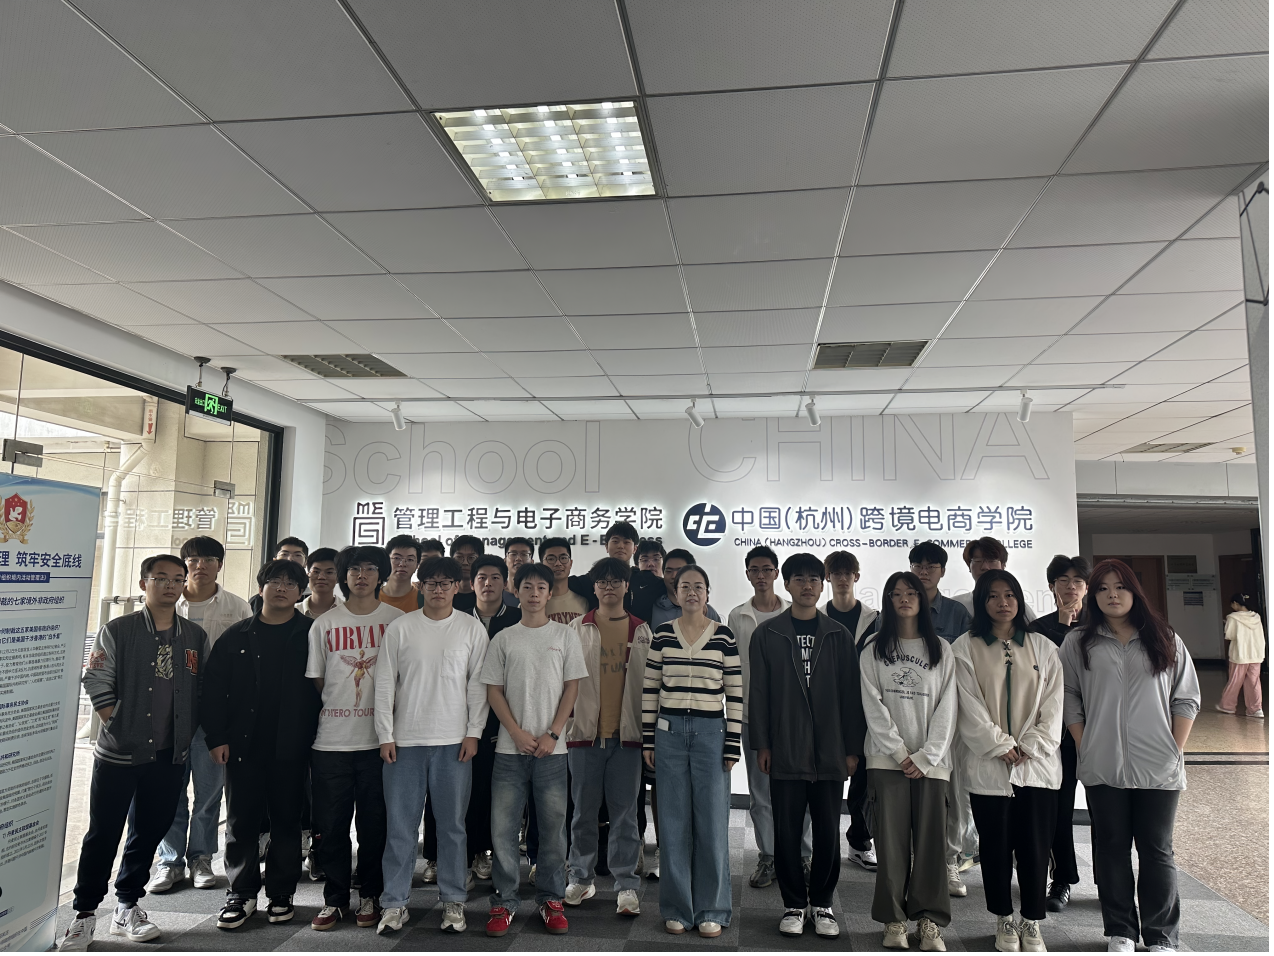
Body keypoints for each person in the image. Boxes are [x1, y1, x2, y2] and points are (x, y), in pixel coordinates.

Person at [59, 556, 209, 952]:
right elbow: (96, 677)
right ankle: (84, 914)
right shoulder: (118, 630)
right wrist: (117, 723)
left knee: (149, 832)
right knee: (103, 833)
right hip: (119, 755)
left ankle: (127, 905)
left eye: (177, 579)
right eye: (161, 578)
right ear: (144, 583)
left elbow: (201, 688)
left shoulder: (194, 636)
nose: (170, 585)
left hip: (169, 756)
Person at [1061, 559, 1200, 954]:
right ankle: (1120, 930)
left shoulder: (1164, 638)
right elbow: (1068, 695)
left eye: (1120, 586)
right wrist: (1084, 742)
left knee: (1157, 849)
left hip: (1158, 764)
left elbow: (1186, 697)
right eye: (1102, 588)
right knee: (1111, 847)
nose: (1112, 595)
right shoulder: (1079, 642)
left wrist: (1174, 747)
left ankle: (1161, 935)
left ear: (1134, 592)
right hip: (1103, 762)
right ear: (1093, 596)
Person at [750, 553, 866, 939]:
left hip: (830, 749)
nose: (807, 585)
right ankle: (794, 904)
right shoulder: (768, 634)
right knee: (786, 832)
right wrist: (762, 744)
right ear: (786, 584)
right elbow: (759, 694)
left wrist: (852, 748)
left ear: (823, 584)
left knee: (828, 831)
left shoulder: (838, 635)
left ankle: (823, 903)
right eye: (799, 579)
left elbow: (851, 697)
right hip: (786, 747)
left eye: (814, 579)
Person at [374, 556, 490, 935]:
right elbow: (385, 682)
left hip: (454, 743)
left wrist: (473, 732)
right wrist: (385, 734)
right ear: (420, 587)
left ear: (458, 587)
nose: (438, 589)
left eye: (445, 583)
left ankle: (453, 900)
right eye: (431, 583)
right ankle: (394, 902)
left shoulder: (471, 629)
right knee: (400, 828)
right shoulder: (401, 627)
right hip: (404, 743)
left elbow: (478, 686)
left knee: (453, 827)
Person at [203, 558, 320, 930]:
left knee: (287, 821)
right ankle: (241, 892)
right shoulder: (236, 635)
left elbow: (327, 689)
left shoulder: (312, 633)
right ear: (261, 587)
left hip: (294, 745)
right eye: (275, 581)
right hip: (243, 745)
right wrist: (216, 738)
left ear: (300, 592)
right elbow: (213, 690)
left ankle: (282, 893)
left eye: (290, 583)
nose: (282, 588)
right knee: (241, 821)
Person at [954, 570, 1063, 954]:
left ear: (1019, 599)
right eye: (993, 596)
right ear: (981, 603)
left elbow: (1054, 704)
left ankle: (1031, 921)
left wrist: (1032, 745)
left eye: (1009, 595)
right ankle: (1003, 918)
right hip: (989, 765)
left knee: (1035, 848)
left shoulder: (1043, 647)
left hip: (1037, 766)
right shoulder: (964, 647)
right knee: (995, 849)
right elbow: (967, 704)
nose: (1003, 603)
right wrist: (998, 745)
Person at [483, 562, 588, 937]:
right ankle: (504, 900)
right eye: (526, 587)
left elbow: (572, 687)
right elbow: (493, 690)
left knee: (554, 830)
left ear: (549, 592)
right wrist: (515, 732)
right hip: (509, 751)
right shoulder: (504, 638)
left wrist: (553, 733)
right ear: (516, 590)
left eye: (541, 588)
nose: (533, 593)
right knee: (503, 830)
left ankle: (551, 898)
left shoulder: (565, 635)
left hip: (552, 752)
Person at [147, 537, 251, 896]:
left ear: (220, 565)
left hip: (216, 714)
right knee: (170, 790)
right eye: (193, 560)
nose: (200, 566)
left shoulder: (237, 607)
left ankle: (202, 858)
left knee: (209, 792)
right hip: (168, 714)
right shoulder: (167, 604)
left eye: (209, 559)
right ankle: (170, 861)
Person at [305, 546, 401, 931]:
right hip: (331, 743)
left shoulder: (396, 621)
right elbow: (318, 679)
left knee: (375, 825)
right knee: (331, 826)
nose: (362, 576)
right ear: (343, 576)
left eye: (370, 569)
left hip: (380, 743)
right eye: (354, 569)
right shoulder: (325, 624)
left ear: (381, 575)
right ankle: (334, 898)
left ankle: (371, 894)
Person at [861, 571, 957, 953]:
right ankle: (894, 920)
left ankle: (929, 921)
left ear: (922, 599)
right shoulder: (873, 648)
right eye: (896, 593)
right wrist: (901, 754)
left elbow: (948, 707)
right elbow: (873, 707)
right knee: (891, 846)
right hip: (887, 761)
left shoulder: (942, 649)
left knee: (932, 846)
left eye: (911, 592)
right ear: (887, 600)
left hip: (933, 763)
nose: (904, 598)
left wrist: (927, 756)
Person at [642, 564, 741, 938]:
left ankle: (712, 908)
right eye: (685, 586)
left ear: (708, 593)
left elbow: (735, 694)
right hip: (668, 735)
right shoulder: (663, 635)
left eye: (699, 586)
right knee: (672, 823)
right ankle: (678, 908)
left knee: (712, 823)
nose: (692, 592)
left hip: (711, 735)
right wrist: (649, 740)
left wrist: (732, 743)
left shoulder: (723, 636)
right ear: (677, 592)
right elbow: (650, 690)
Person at [564, 558, 652, 917]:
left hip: (627, 738)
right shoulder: (577, 628)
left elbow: (651, 686)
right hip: (585, 736)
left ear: (627, 587)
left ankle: (626, 884)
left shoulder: (642, 631)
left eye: (617, 581)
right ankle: (581, 878)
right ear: (594, 587)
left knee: (625, 815)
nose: (609, 587)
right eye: (603, 581)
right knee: (583, 813)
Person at [433, 555, 523, 887]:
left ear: (506, 583)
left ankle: (483, 851)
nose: (488, 583)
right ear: (470, 584)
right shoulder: (454, 617)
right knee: (450, 791)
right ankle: (446, 857)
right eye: (482, 577)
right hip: (454, 716)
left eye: (495, 577)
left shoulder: (517, 619)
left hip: (501, 718)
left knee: (488, 789)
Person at [725, 545, 806, 890]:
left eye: (767, 569)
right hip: (751, 716)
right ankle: (769, 855)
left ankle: (802, 855)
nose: (761, 576)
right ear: (748, 574)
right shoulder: (738, 616)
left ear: (776, 574)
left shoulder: (794, 612)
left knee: (801, 787)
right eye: (755, 570)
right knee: (760, 791)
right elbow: (731, 670)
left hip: (793, 717)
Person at [909, 541, 975, 894]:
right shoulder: (898, 608)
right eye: (918, 565)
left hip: (950, 718)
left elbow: (966, 666)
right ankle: (914, 860)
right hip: (909, 714)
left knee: (952, 794)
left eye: (931, 566)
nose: (924, 571)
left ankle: (950, 860)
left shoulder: (956, 614)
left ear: (942, 572)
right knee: (909, 793)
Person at [1029, 554, 1090, 912]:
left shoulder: (1102, 625)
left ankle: (1112, 884)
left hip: (1099, 730)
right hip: (1058, 734)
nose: (1070, 587)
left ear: (1086, 587)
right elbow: (1039, 673)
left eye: (1077, 581)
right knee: (1060, 809)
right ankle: (1062, 878)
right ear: (1051, 586)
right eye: (1063, 580)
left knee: (1107, 813)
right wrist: (1063, 627)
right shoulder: (1038, 629)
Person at [824, 550, 879, 871]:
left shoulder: (874, 620)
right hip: (827, 710)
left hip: (864, 710)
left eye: (848, 573)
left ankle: (859, 843)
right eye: (836, 573)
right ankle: (819, 845)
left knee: (862, 780)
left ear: (856, 577)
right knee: (825, 780)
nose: (842, 579)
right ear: (828, 577)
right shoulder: (816, 616)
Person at [567, 522, 666, 620]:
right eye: (615, 541)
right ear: (606, 546)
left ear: (635, 549)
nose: (621, 546)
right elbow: (566, 584)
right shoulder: (595, 576)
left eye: (626, 542)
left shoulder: (646, 579)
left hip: (639, 629)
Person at [954, 537, 1036, 622]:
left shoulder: (1017, 608)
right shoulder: (956, 605)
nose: (985, 567)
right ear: (969, 566)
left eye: (991, 561)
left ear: (1003, 566)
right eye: (978, 561)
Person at [650, 548, 722, 631]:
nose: (674, 576)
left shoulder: (708, 612)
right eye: (669, 571)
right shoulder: (653, 608)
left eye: (680, 571)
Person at [1217, 592, 1265, 717]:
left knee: (1235, 680)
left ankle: (1228, 706)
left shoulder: (1233, 618)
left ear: (1235, 603)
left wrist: (1226, 624)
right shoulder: (1256, 617)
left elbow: (1229, 635)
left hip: (1240, 654)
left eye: (1232, 604)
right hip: (1256, 653)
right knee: (1254, 681)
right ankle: (1256, 709)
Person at [541, 537, 590, 625]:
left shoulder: (584, 602)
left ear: (570, 563)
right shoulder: (533, 603)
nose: (558, 563)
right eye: (551, 559)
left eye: (563, 558)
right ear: (542, 565)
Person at [379, 535, 424, 613]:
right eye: (396, 558)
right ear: (386, 561)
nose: (402, 564)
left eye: (410, 559)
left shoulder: (424, 601)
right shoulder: (371, 597)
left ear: (417, 565)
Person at [299, 547, 341, 618]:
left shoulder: (348, 612)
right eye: (316, 572)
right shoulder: (293, 611)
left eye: (329, 572)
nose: (321, 577)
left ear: (338, 577)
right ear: (308, 575)